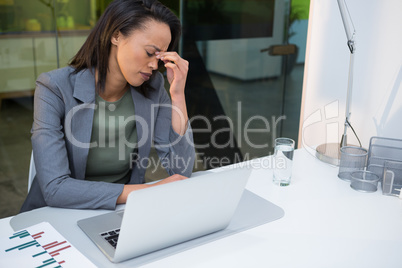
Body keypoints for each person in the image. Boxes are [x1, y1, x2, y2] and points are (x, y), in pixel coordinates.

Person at [20, 0, 195, 212]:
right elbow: (56, 189)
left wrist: (178, 95)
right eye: (150, 52)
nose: (153, 65)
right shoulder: (54, 87)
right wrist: (147, 191)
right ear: (116, 35)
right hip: (56, 216)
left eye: (159, 57)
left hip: (119, 211)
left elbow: (181, 170)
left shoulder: (154, 87)